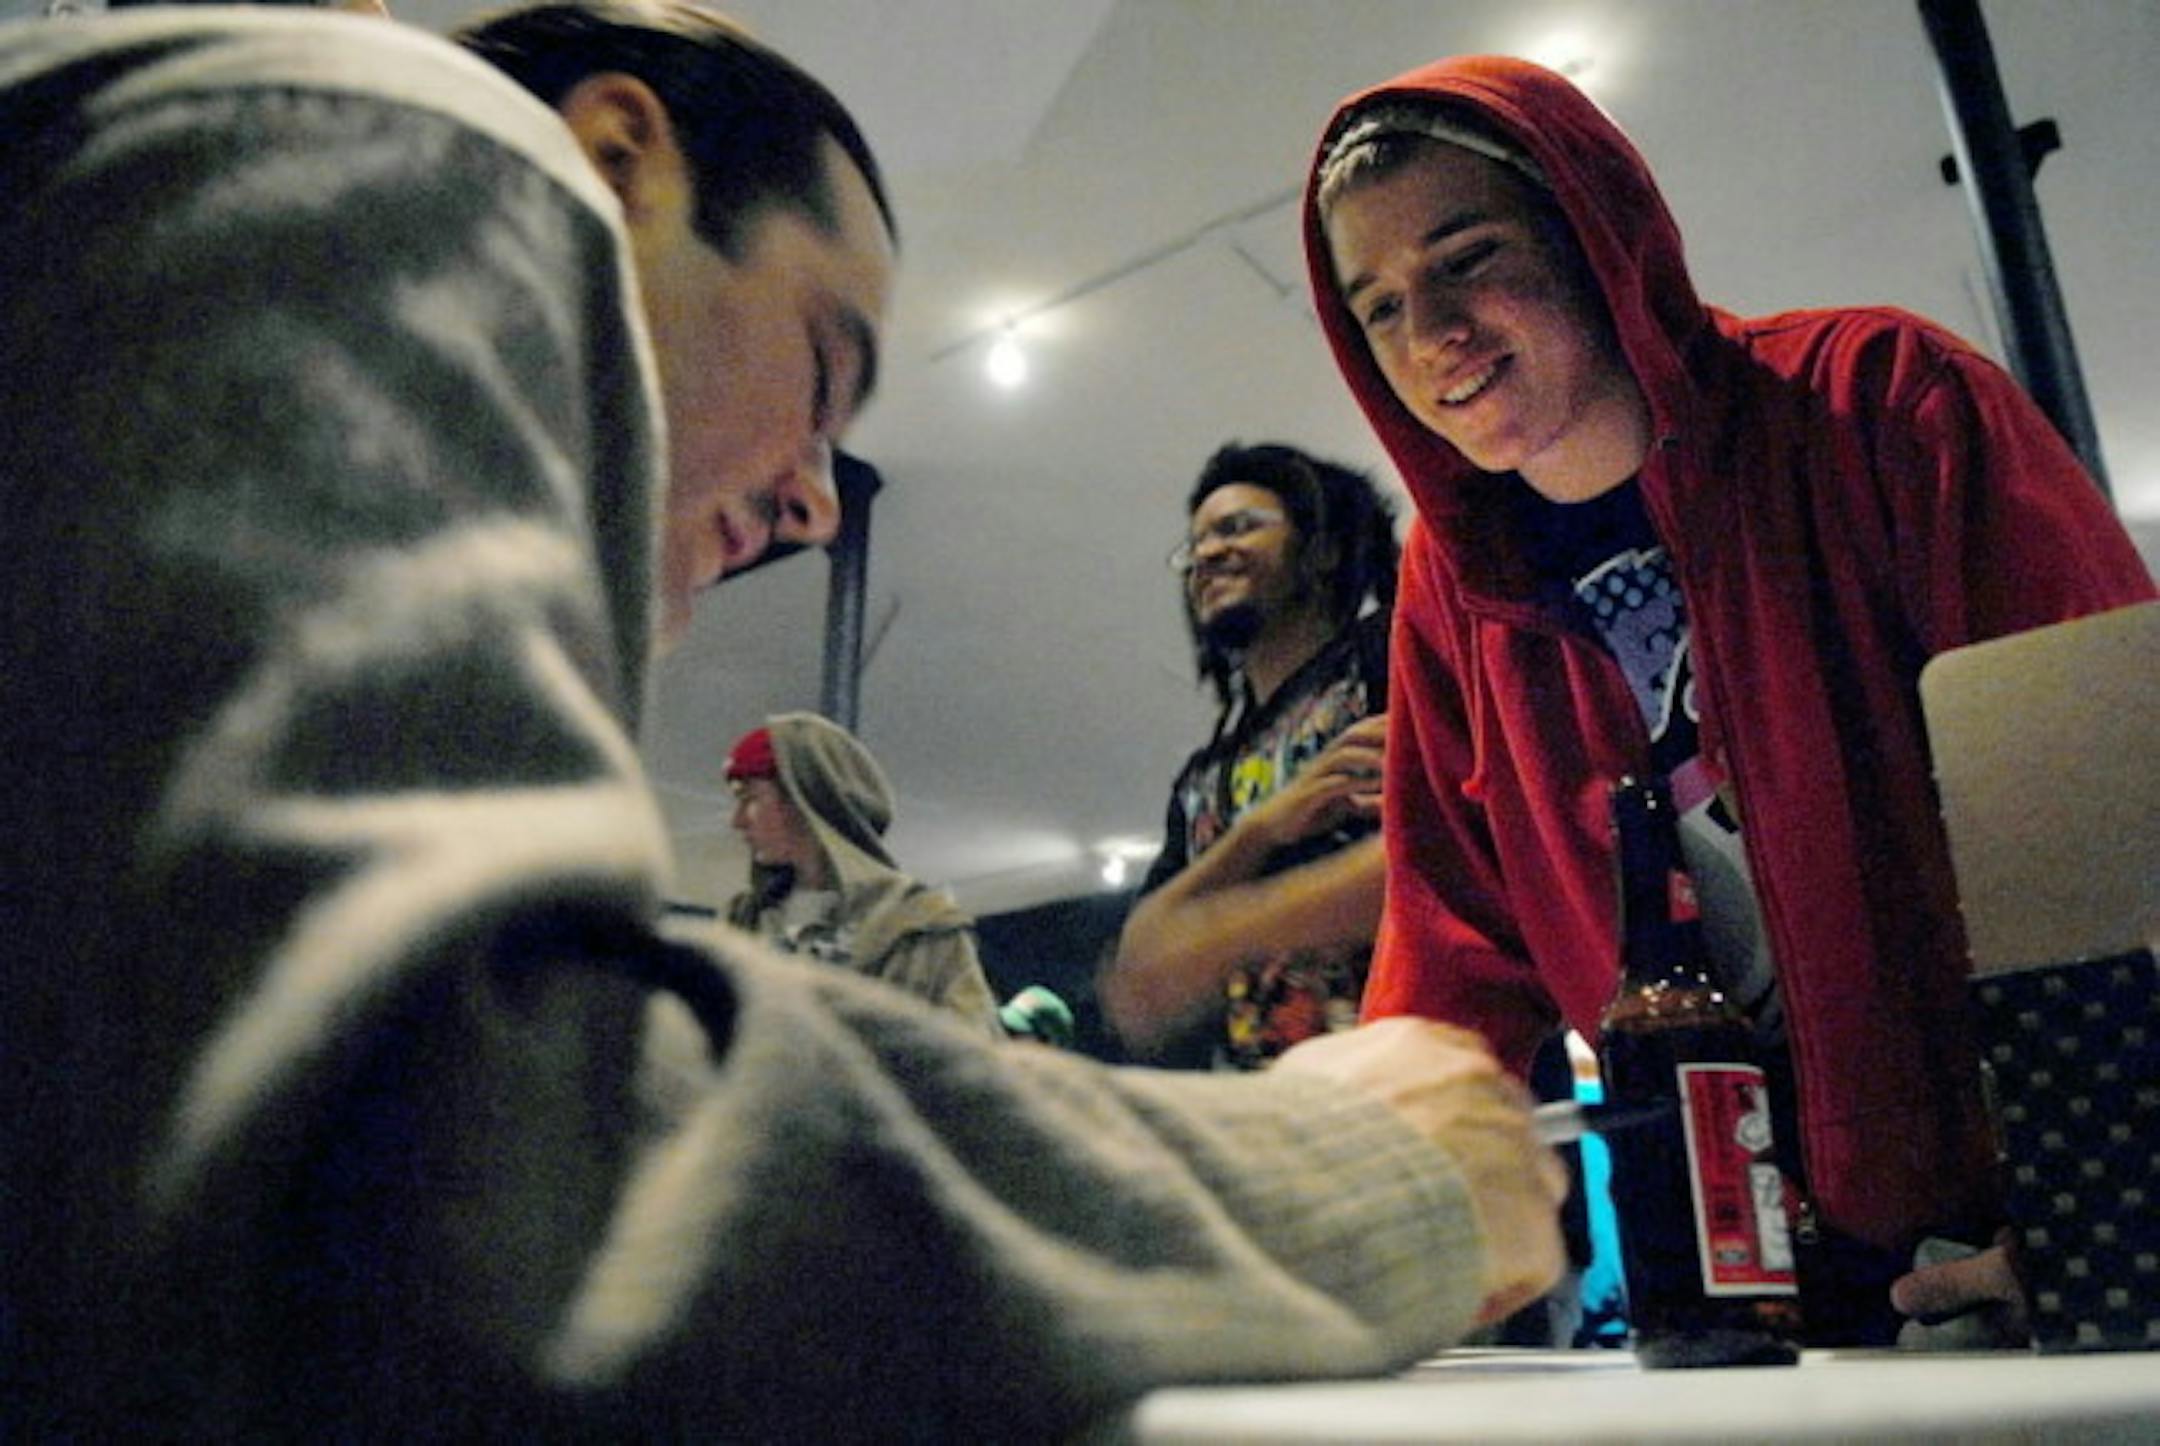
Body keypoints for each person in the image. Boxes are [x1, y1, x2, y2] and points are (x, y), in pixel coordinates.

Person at [0, 4, 1569, 1437]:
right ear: (611, 164)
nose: (818, 500)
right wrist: (1362, 1186)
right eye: (825, 367)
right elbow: (441, 1186)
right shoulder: (370, 139)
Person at [1300, 57, 2157, 1345]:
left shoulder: (1877, 400)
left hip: (2026, 1239)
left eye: (1469, 258)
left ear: (1595, 232)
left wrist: (2116, 1198)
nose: (1431, 336)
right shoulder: (1451, 587)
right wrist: (1365, 1251)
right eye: (1377, 307)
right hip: (1733, 1285)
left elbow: (2103, 802)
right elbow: (1451, 949)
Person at [1101, 442, 1399, 1069]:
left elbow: (1454, 854)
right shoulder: (1201, 781)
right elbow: (1139, 965)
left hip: (1417, 1075)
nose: (1207, 554)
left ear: (1322, 549)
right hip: (1269, 1107)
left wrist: (1219, 935)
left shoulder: (1389, 654)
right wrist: (1261, 828)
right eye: (1196, 543)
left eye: (1237, 527)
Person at [722, 713, 1002, 1035]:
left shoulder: (918, 925)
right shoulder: (743, 921)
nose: (737, 821)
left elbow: (975, 1050)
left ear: (803, 798)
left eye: (749, 798)